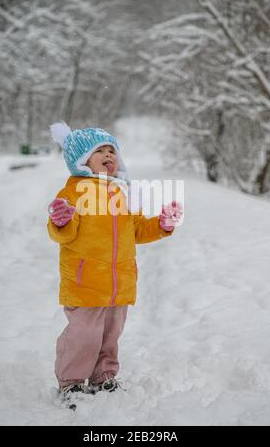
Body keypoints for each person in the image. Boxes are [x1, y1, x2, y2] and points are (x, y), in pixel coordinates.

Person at [47, 121, 182, 408]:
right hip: (85, 283)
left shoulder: (122, 192)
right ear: (82, 160)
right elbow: (62, 232)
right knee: (84, 334)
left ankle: (103, 376)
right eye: (100, 151)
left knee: (110, 335)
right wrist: (61, 220)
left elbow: (137, 230)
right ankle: (70, 382)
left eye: (112, 150)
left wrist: (161, 224)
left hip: (118, 283)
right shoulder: (73, 192)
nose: (109, 155)